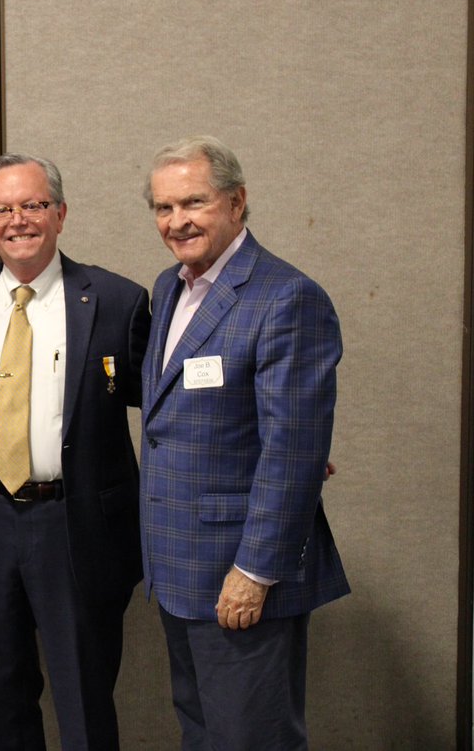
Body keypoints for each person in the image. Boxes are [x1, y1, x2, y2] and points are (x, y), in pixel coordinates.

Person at [139, 136, 349, 749]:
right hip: (178, 566)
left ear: (236, 202)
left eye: (193, 202)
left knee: (252, 738)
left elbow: (292, 453)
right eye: (163, 207)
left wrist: (254, 571)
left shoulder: (286, 297)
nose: (177, 221)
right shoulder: (169, 287)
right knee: (202, 732)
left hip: (239, 572)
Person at [0, 154, 149, 750]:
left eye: (33, 205)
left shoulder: (116, 300)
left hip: (76, 525)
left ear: (60, 213)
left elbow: (171, 406)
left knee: (84, 699)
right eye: (2, 209)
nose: (18, 220)